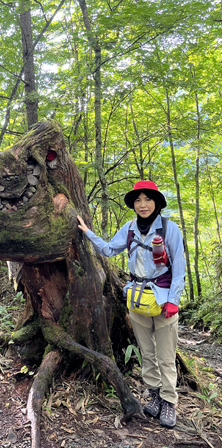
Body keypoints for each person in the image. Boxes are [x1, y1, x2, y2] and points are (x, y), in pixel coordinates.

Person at [76, 180, 185, 428]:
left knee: (166, 356)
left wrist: (173, 301)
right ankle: (154, 396)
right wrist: (87, 232)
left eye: (147, 199)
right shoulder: (129, 229)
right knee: (147, 353)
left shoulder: (170, 230)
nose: (142, 204)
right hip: (137, 299)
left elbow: (179, 269)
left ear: (157, 202)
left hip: (163, 299)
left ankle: (169, 401)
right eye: (138, 200)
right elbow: (107, 250)